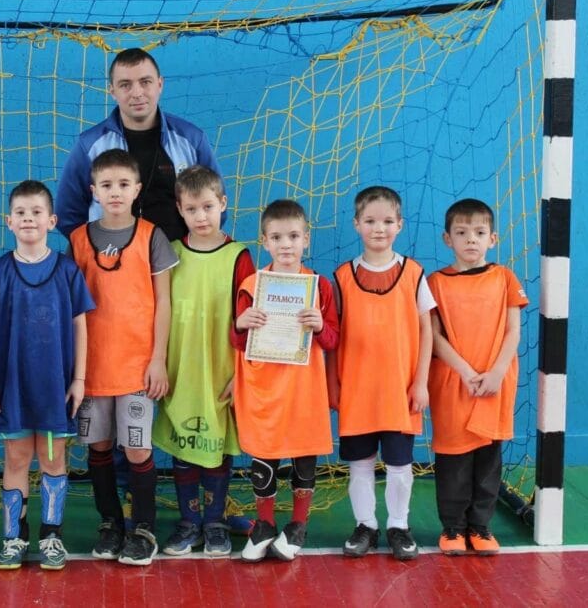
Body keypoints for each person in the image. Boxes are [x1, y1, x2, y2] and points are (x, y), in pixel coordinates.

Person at [0, 180, 94, 571]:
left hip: (55, 386)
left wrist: (79, 379)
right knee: (16, 458)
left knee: (53, 458)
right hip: (13, 386)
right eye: (21, 213)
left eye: (37, 212)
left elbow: (80, 325)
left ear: (52, 220)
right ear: (8, 221)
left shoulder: (66, 270)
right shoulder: (0, 271)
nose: (29, 219)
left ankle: (51, 536)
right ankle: (13, 537)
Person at [69, 149, 179, 566]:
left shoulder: (152, 236)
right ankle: (111, 523)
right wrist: (74, 370)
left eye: (123, 184)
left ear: (137, 189)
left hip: (137, 368)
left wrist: (158, 359)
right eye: (106, 185)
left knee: (136, 450)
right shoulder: (78, 240)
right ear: (94, 191)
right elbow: (71, 307)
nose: (115, 192)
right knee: (98, 448)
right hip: (92, 369)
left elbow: (164, 301)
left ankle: (144, 527)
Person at [150, 165, 253, 557]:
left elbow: (251, 320)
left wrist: (241, 374)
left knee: (215, 449)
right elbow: (157, 310)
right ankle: (189, 523)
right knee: (183, 448)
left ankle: (215, 522)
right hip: (181, 370)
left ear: (222, 203)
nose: (201, 216)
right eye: (192, 209)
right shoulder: (171, 254)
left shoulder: (239, 256)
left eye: (208, 206)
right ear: (179, 209)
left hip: (221, 371)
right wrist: (159, 361)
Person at [328, 186, 435, 561]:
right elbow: (331, 337)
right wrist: (333, 383)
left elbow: (427, 331)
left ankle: (399, 526)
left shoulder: (414, 273)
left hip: (399, 390)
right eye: (370, 221)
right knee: (359, 465)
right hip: (357, 389)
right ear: (356, 224)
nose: (379, 228)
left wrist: (421, 382)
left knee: (400, 465)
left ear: (400, 225)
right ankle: (366, 526)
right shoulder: (342, 276)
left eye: (388, 221)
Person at [231, 200, 339, 562]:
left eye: (293, 236)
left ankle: (297, 525)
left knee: (304, 452)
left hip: (304, 386)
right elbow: (237, 340)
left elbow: (333, 339)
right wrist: (241, 324)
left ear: (306, 239)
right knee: (265, 453)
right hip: (264, 386)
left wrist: (320, 326)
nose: (286, 244)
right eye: (277, 237)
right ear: (264, 241)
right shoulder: (252, 285)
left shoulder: (319, 286)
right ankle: (263, 524)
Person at [428, 199, 528, 555]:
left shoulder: (504, 278)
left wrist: (496, 372)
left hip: (494, 382)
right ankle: (453, 528)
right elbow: (433, 336)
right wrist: (466, 371)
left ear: (493, 238)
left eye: (480, 232)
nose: (471, 239)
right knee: (453, 458)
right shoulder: (435, 282)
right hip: (454, 381)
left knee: (488, 457)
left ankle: (481, 528)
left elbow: (513, 330)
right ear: (447, 239)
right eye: (461, 232)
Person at [56, 47, 223, 242]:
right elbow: (67, 214)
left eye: (145, 82)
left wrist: (192, 250)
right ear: (112, 91)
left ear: (160, 84)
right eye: (125, 85)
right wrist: (97, 250)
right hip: (112, 258)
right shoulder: (89, 145)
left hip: (179, 257)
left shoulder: (192, 140)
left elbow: (216, 204)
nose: (137, 93)